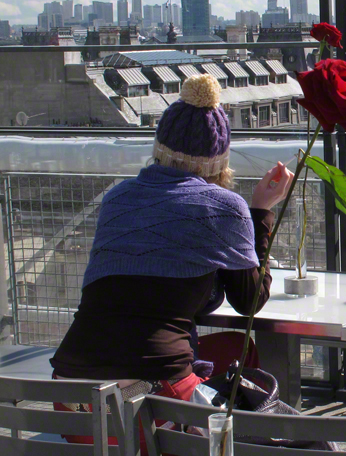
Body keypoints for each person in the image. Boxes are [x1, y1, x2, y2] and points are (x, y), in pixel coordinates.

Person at [51, 74, 293, 409]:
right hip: (141, 398)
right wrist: (261, 212)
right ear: (220, 161)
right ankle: (227, 447)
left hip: (71, 400)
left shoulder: (117, 198)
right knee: (237, 376)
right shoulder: (222, 206)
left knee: (236, 351)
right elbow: (249, 302)